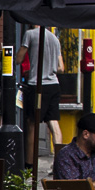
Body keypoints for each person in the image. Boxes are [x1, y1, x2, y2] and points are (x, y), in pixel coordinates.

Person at [20, 22, 63, 162]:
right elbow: (61, 68)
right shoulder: (54, 39)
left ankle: (29, 163)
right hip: (54, 85)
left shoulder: (30, 34)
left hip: (37, 86)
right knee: (53, 122)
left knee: (32, 122)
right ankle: (59, 162)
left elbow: (18, 59)